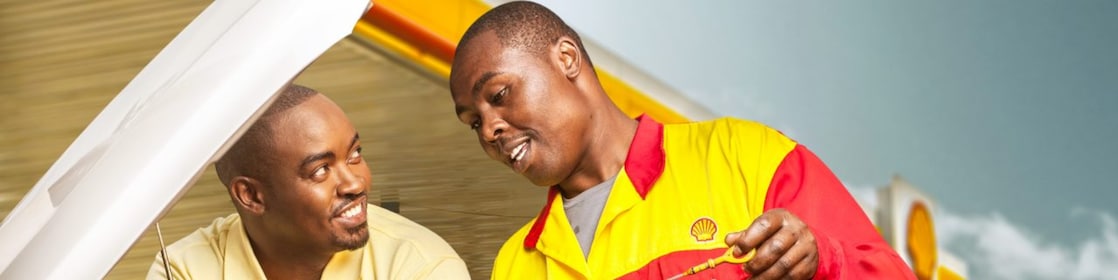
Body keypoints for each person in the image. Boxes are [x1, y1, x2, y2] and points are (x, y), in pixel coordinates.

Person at [448, 2, 915, 279]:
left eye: (500, 95)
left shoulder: (744, 157)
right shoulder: (515, 263)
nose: (490, 129)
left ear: (566, 58)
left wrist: (824, 263)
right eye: (474, 122)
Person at [148, 84, 469, 279]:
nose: (355, 184)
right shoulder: (184, 270)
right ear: (251, 195)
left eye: (355, 154)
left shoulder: (420, 267)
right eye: (320, 171)